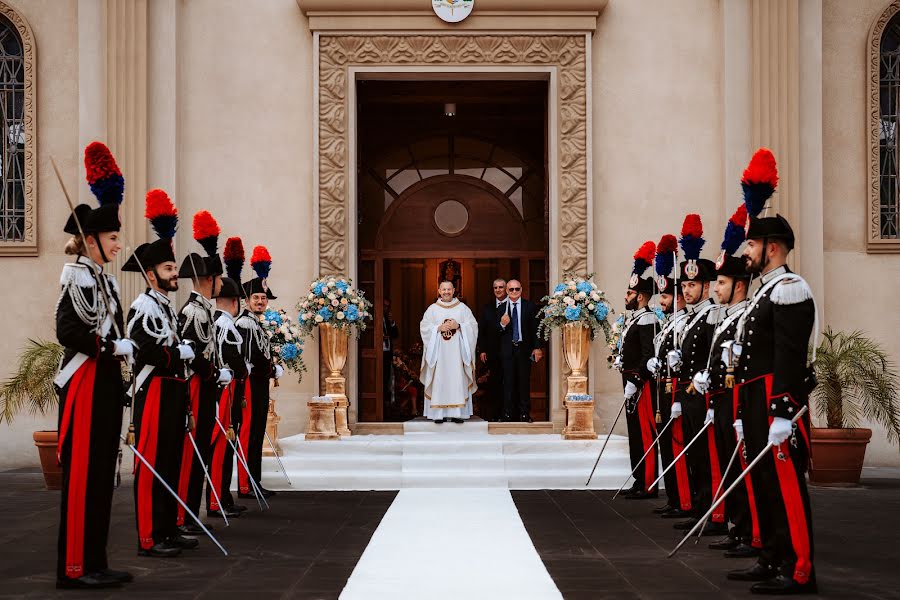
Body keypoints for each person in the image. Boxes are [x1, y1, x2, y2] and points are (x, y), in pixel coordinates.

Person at [728, 151, 818, 595]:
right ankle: (771, 556)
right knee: (763, 484)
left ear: (773, 249)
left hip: (775, 400)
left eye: (751, 245)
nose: (746, 252)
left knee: (785, 486)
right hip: (754, 399)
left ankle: (799, 567)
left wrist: (785, 410)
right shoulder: (764, 293)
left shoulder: (789, 289)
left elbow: (789, 355)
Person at [54, 142, 133, 589]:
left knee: (103, 471)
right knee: (84, 473)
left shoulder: (101, 280)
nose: (119, 244)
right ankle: (75, 568)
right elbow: (68, 332)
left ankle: (96, 560)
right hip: (83, 381)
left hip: (102, 382)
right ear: (90, 240)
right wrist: (110, 347)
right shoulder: (76, 277)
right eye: (113, 238)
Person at [124, 189, 198, 557]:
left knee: (169, 460)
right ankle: (149, 536)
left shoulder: (165, 307)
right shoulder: (143, 307)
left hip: (171, 392)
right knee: (153, 464)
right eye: (169, 270)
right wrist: (175, 354)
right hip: (152, 391)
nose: (175, 275)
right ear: (151, 274)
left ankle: (168, 528)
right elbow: (144, 350)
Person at [174, 210, 232, 535]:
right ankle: (184, 515)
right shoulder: (193, 311)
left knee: (202, 452)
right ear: (208, 280)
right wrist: (212, 372)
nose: (221, 284)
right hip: (197, 386)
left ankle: (191, 512)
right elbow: (194, 353)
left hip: (208, 385)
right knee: (192, 451)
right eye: (218, 279)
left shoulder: (205, 311)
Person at [668, 214, 720, 533]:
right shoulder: (686, 319)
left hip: (703, 395)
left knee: (705, 454)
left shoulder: (711, 315)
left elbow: (714, 356)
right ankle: (699, 506)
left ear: (706, 286)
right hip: (686, 394)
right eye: (684, 285)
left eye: (692, 285)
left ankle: (710, 509)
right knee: (693, 455)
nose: (687, 290)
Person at [647, 234, 692, 518]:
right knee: (667, 445)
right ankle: (675, 497)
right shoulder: (668, 325)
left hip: (676, 391)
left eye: (665, 296)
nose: (660, 301)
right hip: (662, 388)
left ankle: (684, 500)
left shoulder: (684, 322)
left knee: (677, 446)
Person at [237, 246, 283, 500]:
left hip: (259, 385)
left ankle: (254, 480)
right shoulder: (244, 324)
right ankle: (247, 483)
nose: (261, 302)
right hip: (250, 386)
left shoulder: (256, 323)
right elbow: (251, 358)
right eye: (256, 298)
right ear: (246, 301)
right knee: (250, 434)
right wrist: (271, 368)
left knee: (256, 433)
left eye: (263, 298)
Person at [618, 241, 659, 499]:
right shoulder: (633, 319)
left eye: (630, 294)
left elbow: (648, 355)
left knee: (644, 431)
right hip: (630, 382)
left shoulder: (647, 319)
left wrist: (636, 377)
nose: (626, 296)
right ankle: (638, 477)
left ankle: (649, 481)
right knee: (634, 431)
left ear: (640, 297)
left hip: (641, 384)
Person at [207, 274, 249, 519]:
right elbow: (233, 358)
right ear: (235, 302)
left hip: (225, 390)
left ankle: (223, 496)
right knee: (221, 449)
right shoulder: (225, 325)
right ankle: (217, 500)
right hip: (226, 392)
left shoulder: (217, 321)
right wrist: (245, 370)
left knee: (225, 448)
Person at [419, 281, 478, 423]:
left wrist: (459, 326)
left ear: (453, 290)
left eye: (449, 289)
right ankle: (438, 414)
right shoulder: (432, 309)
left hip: (457, 355)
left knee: (457, 378)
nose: (446, 292)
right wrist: (438, 329)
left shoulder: (463, 309)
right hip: (439, 355)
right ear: (439, 291)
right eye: (443, 289)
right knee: (440, 379)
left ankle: (458, 413)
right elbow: (424, 327)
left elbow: (473, 326)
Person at [497, 279, 543, 423]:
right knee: (508, 383)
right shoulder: (501, 308)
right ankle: (507, 414)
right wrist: (502, 325)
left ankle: (524, 414)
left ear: (521, 290)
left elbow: (536, 329)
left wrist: (537, 347)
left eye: (517, 289)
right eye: (511, 290)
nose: (514, 292)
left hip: (524, 350)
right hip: (508, 351)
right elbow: (495, 332)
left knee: (524, 383)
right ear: (507, 291)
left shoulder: (530, 306)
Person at [478, 278, 507, 421]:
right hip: (492, 353)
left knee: (508, 384)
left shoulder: (512, 305)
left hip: (510, 352)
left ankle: (508, 414)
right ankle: (494, 416)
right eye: (495, 287)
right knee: (494, 385)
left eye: (501, 287)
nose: (498, 290)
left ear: (506, 288)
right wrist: (482, 350)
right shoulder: (487, 308)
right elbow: (482, 330)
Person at [383, 298, 399, 408]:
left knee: (387, 377)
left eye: (388, 306)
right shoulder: (373, 318)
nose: (385, 308)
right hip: (377, 352)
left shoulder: (388, 319)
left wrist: (393, 323)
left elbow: (396, 335)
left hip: (387, 353)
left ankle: (387, 403)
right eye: (384, 305)